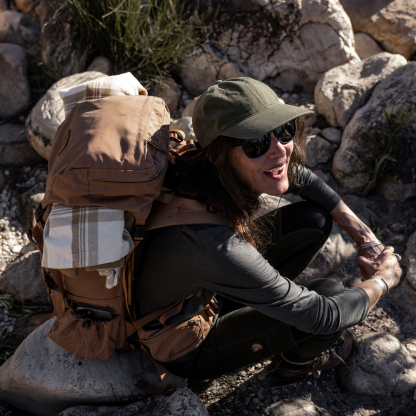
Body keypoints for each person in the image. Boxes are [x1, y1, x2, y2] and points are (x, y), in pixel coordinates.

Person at [134, 77, 402, 381]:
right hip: (187, 344)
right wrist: (383, 280)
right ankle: (293, 364)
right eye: (256, 143)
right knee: (332, 296)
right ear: (219, 153)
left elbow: (299, 177)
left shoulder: (197, 164)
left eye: (284, 131)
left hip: (205, 289)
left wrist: (364, 238)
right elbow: (322, 315)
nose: (280, 150)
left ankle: (266, 302)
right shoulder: (212, 244)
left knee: (314, 220)